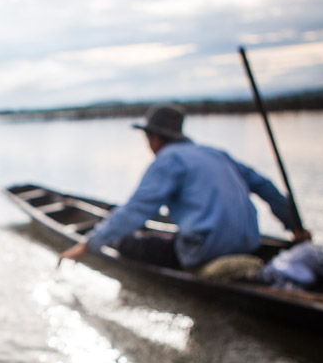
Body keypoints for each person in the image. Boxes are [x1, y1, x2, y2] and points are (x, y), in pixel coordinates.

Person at [59, 103, 310, 270]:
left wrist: (88, 245)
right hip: (250, 244)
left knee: (126, 242)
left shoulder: (168, 160)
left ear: (155, 137)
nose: (148, 145)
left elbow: (135, 211)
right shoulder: (215, 152)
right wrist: (294, 226)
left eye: (147, 138)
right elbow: (265, 187)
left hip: (205, 253)